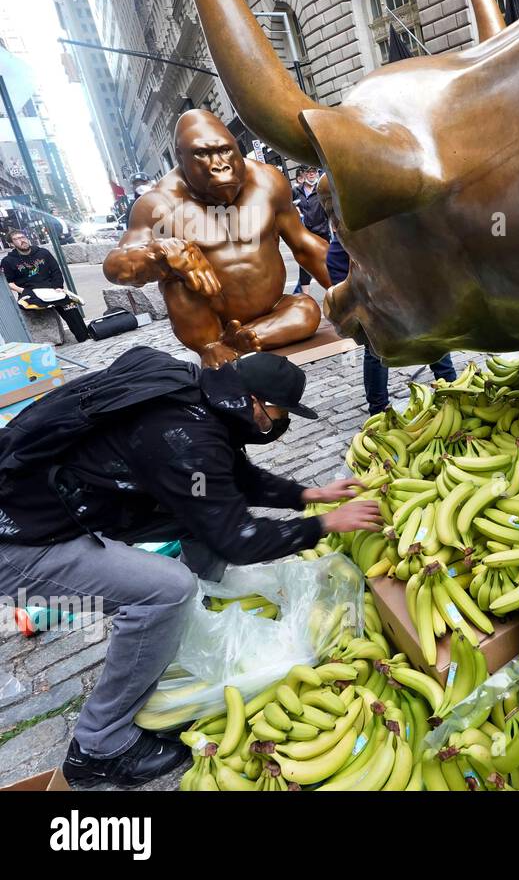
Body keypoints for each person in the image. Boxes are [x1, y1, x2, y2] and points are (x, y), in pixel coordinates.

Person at [0, 346, 382, 787]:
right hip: (23, 539)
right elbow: (237, 538)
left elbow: (225, 478)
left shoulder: (197, 399)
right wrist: (324, 525)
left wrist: (305, 496)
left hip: (50, 500)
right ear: (253, 402)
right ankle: (97, 748)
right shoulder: (186, 436)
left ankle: (202, 610)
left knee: (197, 516)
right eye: (279, 412)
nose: (280, 424)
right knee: (166, 589)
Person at [103, 110, 331, 367]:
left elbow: (304, 245)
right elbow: (115, 266)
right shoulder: (158, 203)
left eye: (225, 150)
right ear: (180, 157)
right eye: (203, 154)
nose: (219, 164)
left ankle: (244, 338)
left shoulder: (267, 181)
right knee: (177, 278)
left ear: (237, 147)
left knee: (307, 310)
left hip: (273, 310)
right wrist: (158, 252)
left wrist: (351, 292)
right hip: (207, 323)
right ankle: (213, 345)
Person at [315, 174, 456, 413]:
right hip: (373, 299)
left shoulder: (382, 218)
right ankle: (378, 406)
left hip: (406, 290)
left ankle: (451, 384)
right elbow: (342, 275)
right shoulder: (343, 239)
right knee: (375, 349)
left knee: (432, 334)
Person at [3, 229, 89, 342]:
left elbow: (56, 271)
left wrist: (58, 287)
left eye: (22, 237)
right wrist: (23, 291)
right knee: (31, 307)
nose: (22, 240)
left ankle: (84, 336)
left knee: (69, 305)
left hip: (51, 288)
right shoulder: (8, 261)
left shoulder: (43, 253)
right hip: (30, 292)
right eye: (17, 239)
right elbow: (9, 282)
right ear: (11, 244)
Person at [291, 166, 326, 295]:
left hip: (322, 232)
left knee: (329, 263)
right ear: (304, 174)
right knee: (305, 265)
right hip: (305, 234)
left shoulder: (321, 189)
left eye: (314, 172)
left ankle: (334, 294)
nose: (312, 175)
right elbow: (288, 207)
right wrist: (295, 210)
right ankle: (306, 296)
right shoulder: (296, 191)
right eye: (309, 172)